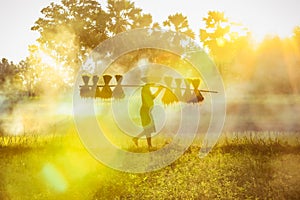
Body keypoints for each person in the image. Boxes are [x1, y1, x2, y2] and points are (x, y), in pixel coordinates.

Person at [132, 82, 163, 150]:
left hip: (147, 111)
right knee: (148, 128)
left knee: (149, 129)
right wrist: (159, 90)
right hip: (145, 112)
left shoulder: (147, 89)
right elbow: (152, 97)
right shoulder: (145, 89)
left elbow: (152, 97)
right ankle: (148, 145)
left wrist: (159, 90)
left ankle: (137, 139)